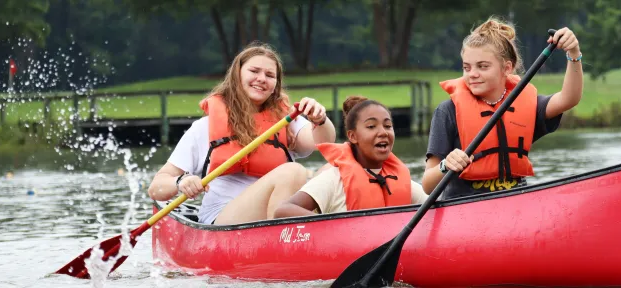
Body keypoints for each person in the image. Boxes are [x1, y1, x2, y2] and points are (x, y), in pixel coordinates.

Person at [147, 42, 337, 225]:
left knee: (336, 169)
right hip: (223, 217)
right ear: (237, 75)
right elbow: (156, 188)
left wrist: (319, 119)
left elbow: (324, 143)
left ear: (275, 85)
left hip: (279, 214)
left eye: (270, 75)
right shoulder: (203, 128)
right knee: (293, 171)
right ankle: (285, 242)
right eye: (254, 71)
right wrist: (181, 182)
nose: (262, 78)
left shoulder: (286, 121)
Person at [422, 16, 583, 200]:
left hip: (516, 207)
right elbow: (427, 185)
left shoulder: (525, 104)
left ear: (507, 68)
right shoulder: (447, 111)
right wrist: (445, 165)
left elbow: (569, 98)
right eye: (467, 68)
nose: (473, 74)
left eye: (482, 66)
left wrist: (573, 53)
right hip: (465, 211)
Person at [273, 96, 428, 218]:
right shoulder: (333, 179)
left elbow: (435, 206)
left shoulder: (400, 179)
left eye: (388, 126)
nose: (383, 132)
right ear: (352, 136)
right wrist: (332, 225)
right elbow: (283, 210)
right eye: (371, 127)